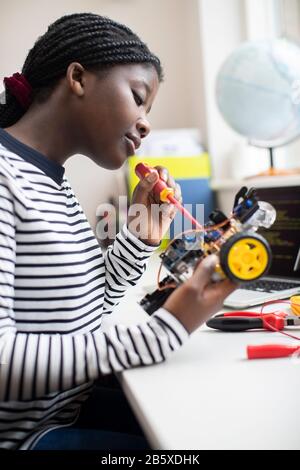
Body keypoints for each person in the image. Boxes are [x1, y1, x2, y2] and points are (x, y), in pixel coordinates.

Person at [0, 13, 236, 450]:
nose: (145, 123)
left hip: (63, 413)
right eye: (138, 97)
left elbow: (86, 309)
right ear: (78, 78)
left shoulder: (53, 181)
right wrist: (165, 330)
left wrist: (141, 236)